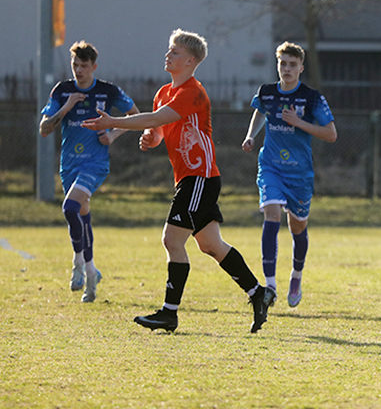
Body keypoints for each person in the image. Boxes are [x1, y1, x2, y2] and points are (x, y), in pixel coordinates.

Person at [83, 29, 274, 333]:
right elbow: (158, 128)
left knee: (172, 240)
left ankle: (169, 314)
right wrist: (150, 138)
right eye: (169, 50)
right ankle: (259, 293)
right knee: (211, 245)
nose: (168, 55)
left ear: (189, 61)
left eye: (174, 51)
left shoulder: (192, 92)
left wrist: (113, 122)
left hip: (199, 178)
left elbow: (156, 118)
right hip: (192, 179)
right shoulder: (164, 92)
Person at [39, 41, 140, 303]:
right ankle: (88, 269)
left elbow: (135, 115)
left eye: (84, 66)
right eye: (75, 65)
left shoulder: (108, 91)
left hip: (94, 164)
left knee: (70, 208)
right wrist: (66, 107)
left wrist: (114, 133)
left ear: (94, 66)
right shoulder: (63, 91)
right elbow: (44, 129)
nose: (78, 70)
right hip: (69, 164)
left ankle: (82, 267)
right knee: (81, 214)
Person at [242, 42, 337, 308]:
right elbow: (259, 112)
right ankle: (270, 285)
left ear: (301, 68)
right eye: (283, 63)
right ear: (277, 65)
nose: (287, 68)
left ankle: (296, 277)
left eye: (292, 64)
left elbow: (331, 134)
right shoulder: (267, 92)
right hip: (271, 167)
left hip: (300, 174)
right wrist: (251, 137)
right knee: (271, 214)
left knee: (298, 228)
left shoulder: (311, 97)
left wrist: (299, 123)